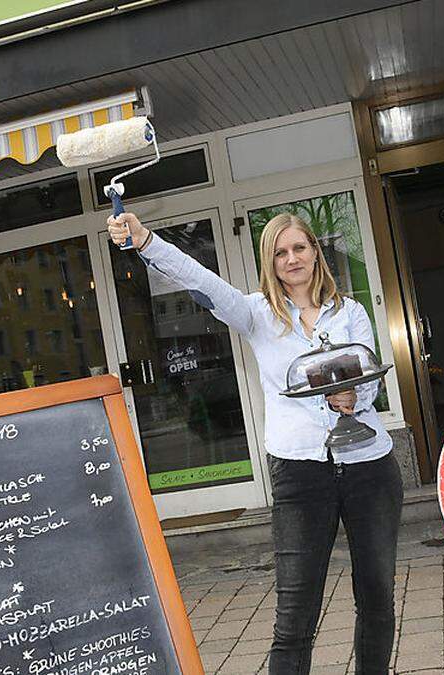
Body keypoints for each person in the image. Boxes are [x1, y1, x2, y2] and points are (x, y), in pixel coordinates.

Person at [107, 211, 403, 674]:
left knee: (377, 598)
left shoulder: (352, 311)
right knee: (294, 615)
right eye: (280, 252)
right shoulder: (256, 314)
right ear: (270, 262)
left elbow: (368, 374)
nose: (292, 259)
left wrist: (354, 394)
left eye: (299, 248)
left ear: (314, 252)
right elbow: (197, 276)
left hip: (370, 466)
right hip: (301, 473)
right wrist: (145, 240)